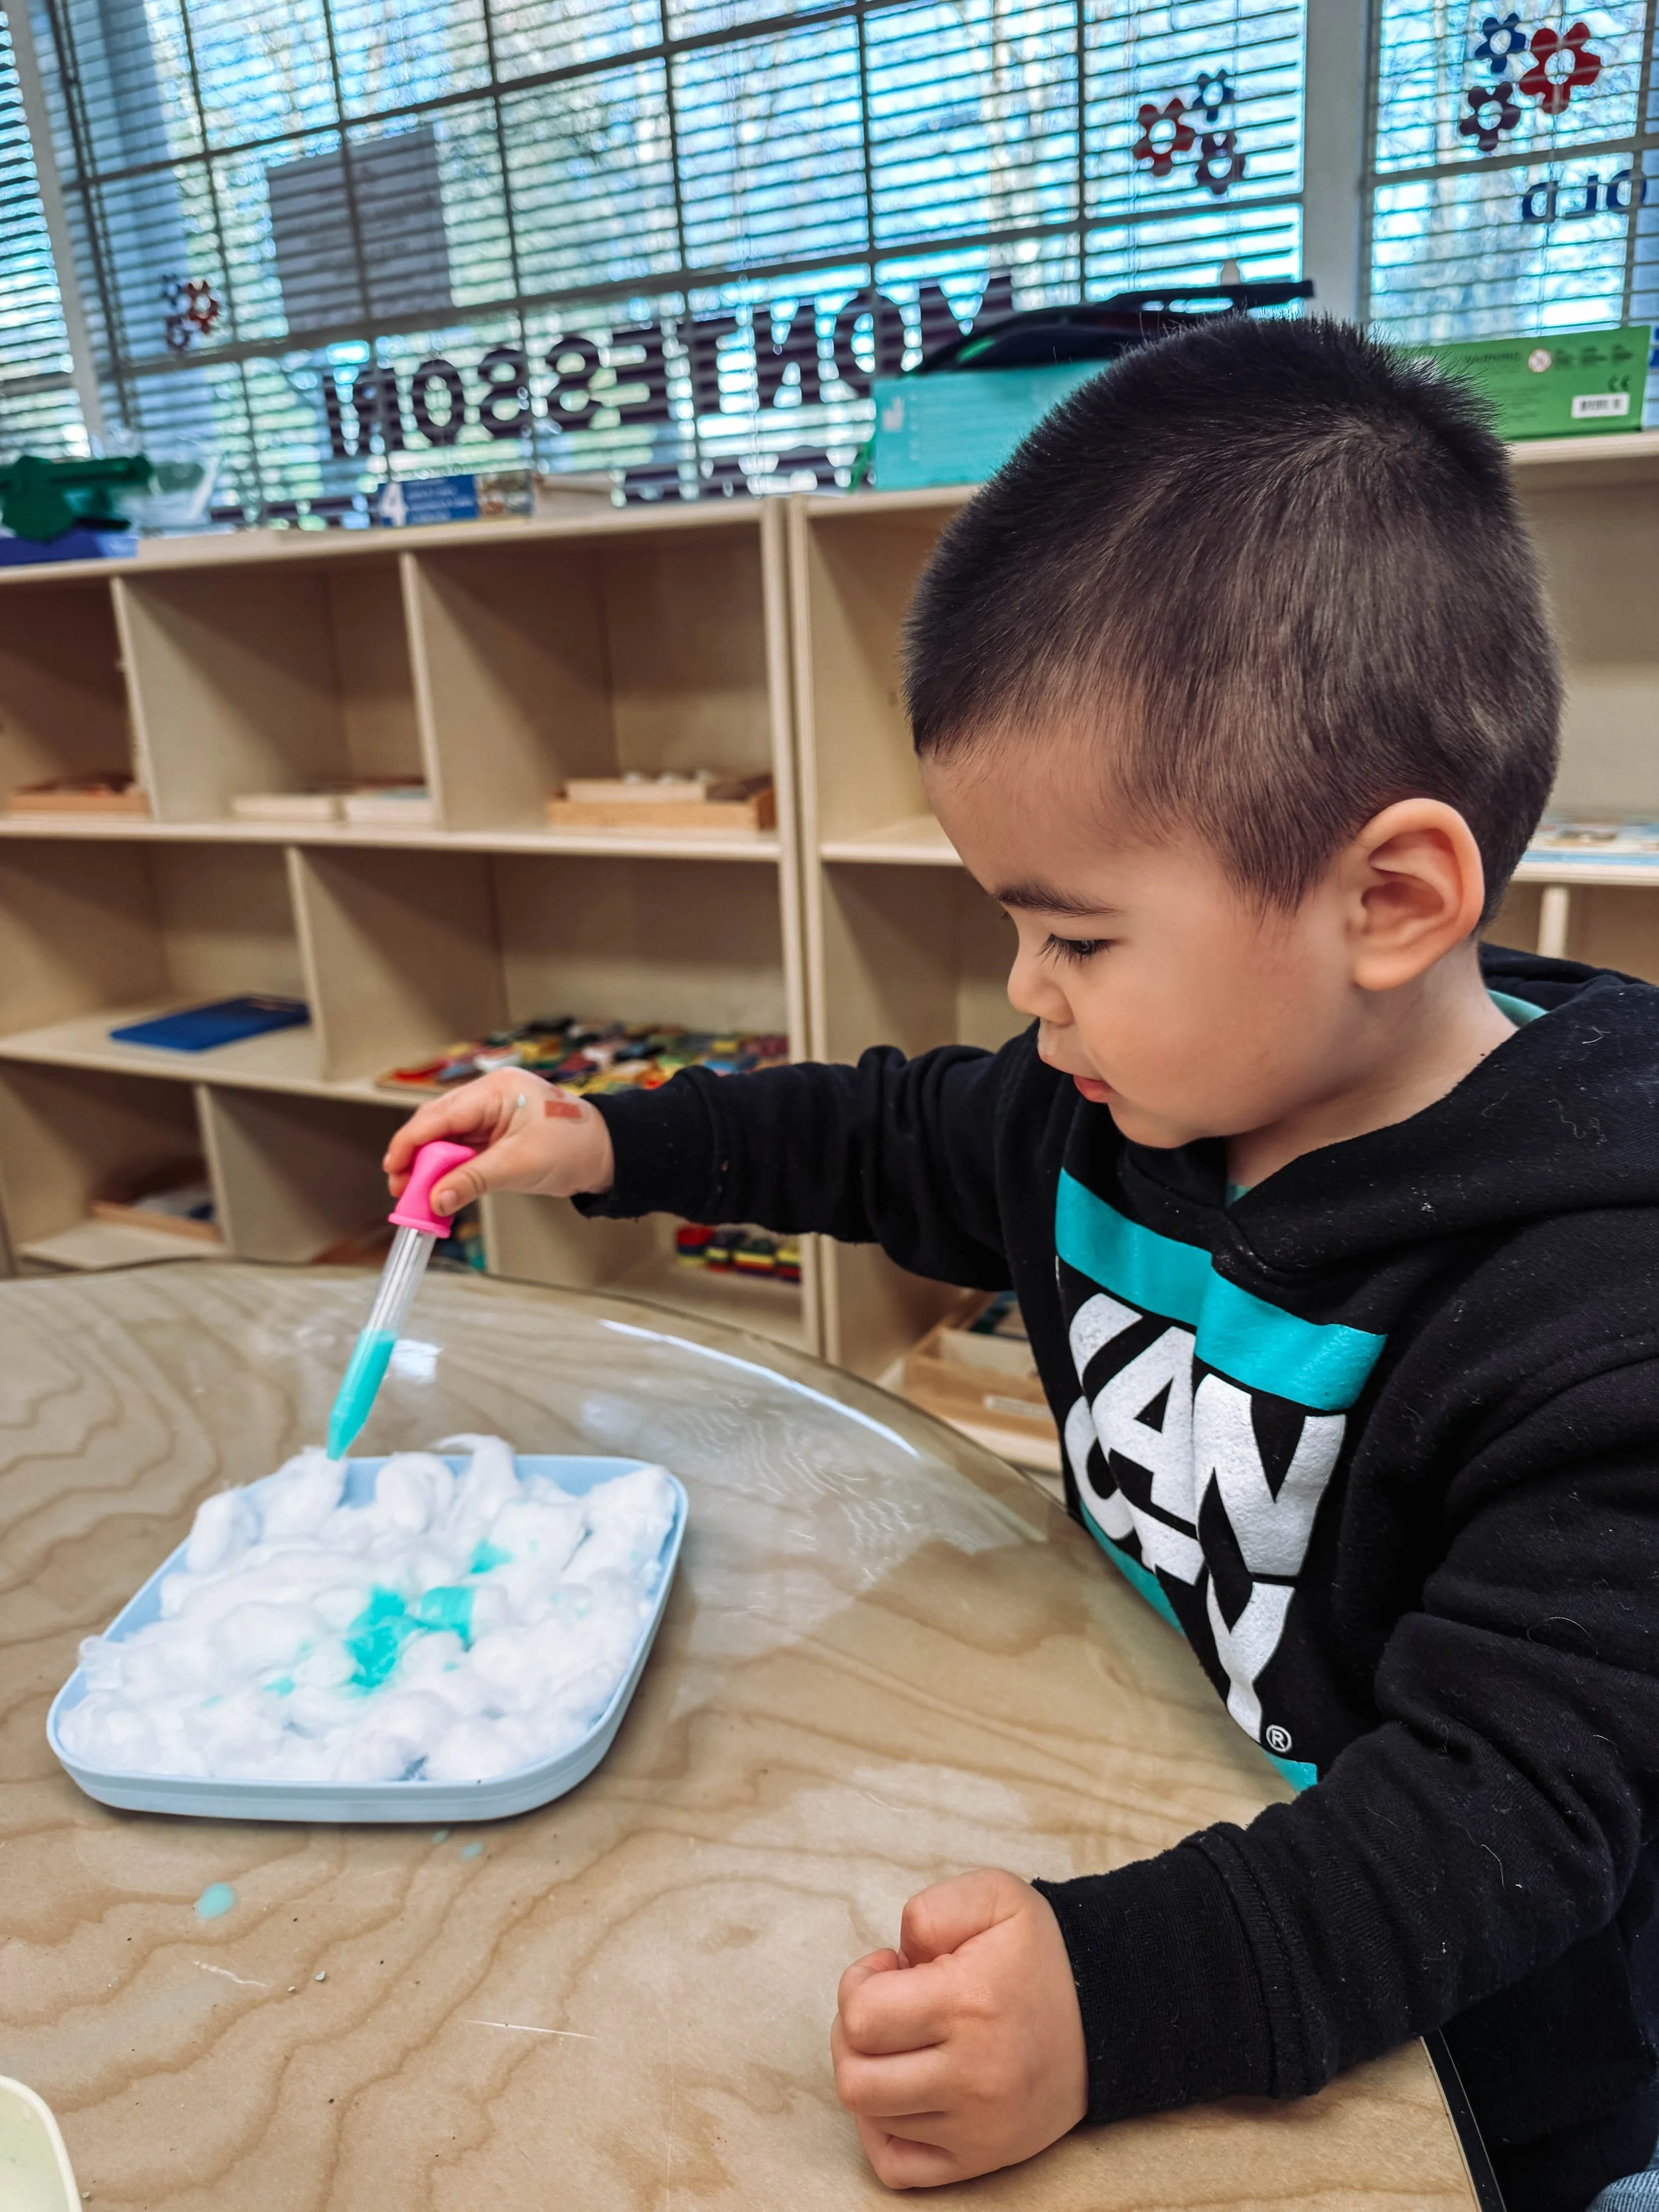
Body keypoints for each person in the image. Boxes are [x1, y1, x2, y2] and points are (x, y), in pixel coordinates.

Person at [386, 317, 1659, 2211]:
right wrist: (607, 1139)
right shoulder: (1110, 1102)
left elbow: (1504, 1815)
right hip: (1167, 1801)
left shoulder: (1594, 1310)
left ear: (1386, 899)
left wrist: (1109, 1998)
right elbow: (879, 1130)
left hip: (1483, 2068)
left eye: (1072, 933)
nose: (1022, 992)